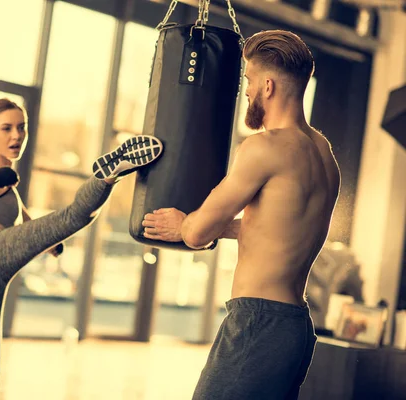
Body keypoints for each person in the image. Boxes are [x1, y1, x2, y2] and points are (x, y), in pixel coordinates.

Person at [141, 30, 340, 400]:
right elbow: (280, 228)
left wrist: (184, 223)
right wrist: (222, 227)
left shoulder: (264, 148)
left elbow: (197, 233)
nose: (245, 91)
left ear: (267, 85)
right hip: (295, 326)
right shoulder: (323, 152)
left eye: (248, 80)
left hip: (257, 321)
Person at [0, 98, 163, 400]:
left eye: (21, 128)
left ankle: (110, 173)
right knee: (74, 215)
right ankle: (109, 173)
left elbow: (24, 219)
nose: (16, 135)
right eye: (6, 128)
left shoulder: (9, 182)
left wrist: (50, 244)